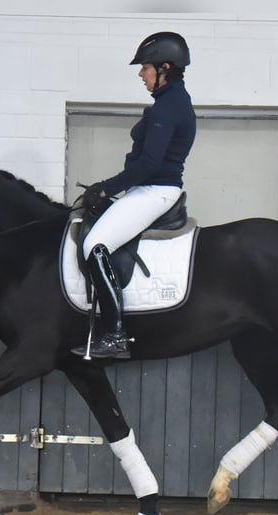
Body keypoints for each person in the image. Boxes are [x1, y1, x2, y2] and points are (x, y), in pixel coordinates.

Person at [71, 31, 197, 360]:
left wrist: (104, 188)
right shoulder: (171, 102)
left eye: (145, 68)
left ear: (165, 68)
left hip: (155, 191)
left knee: (93, 246)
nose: (141, 74)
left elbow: (149, 164)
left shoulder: (168, 108)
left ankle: (114, 336)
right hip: (149, 189)